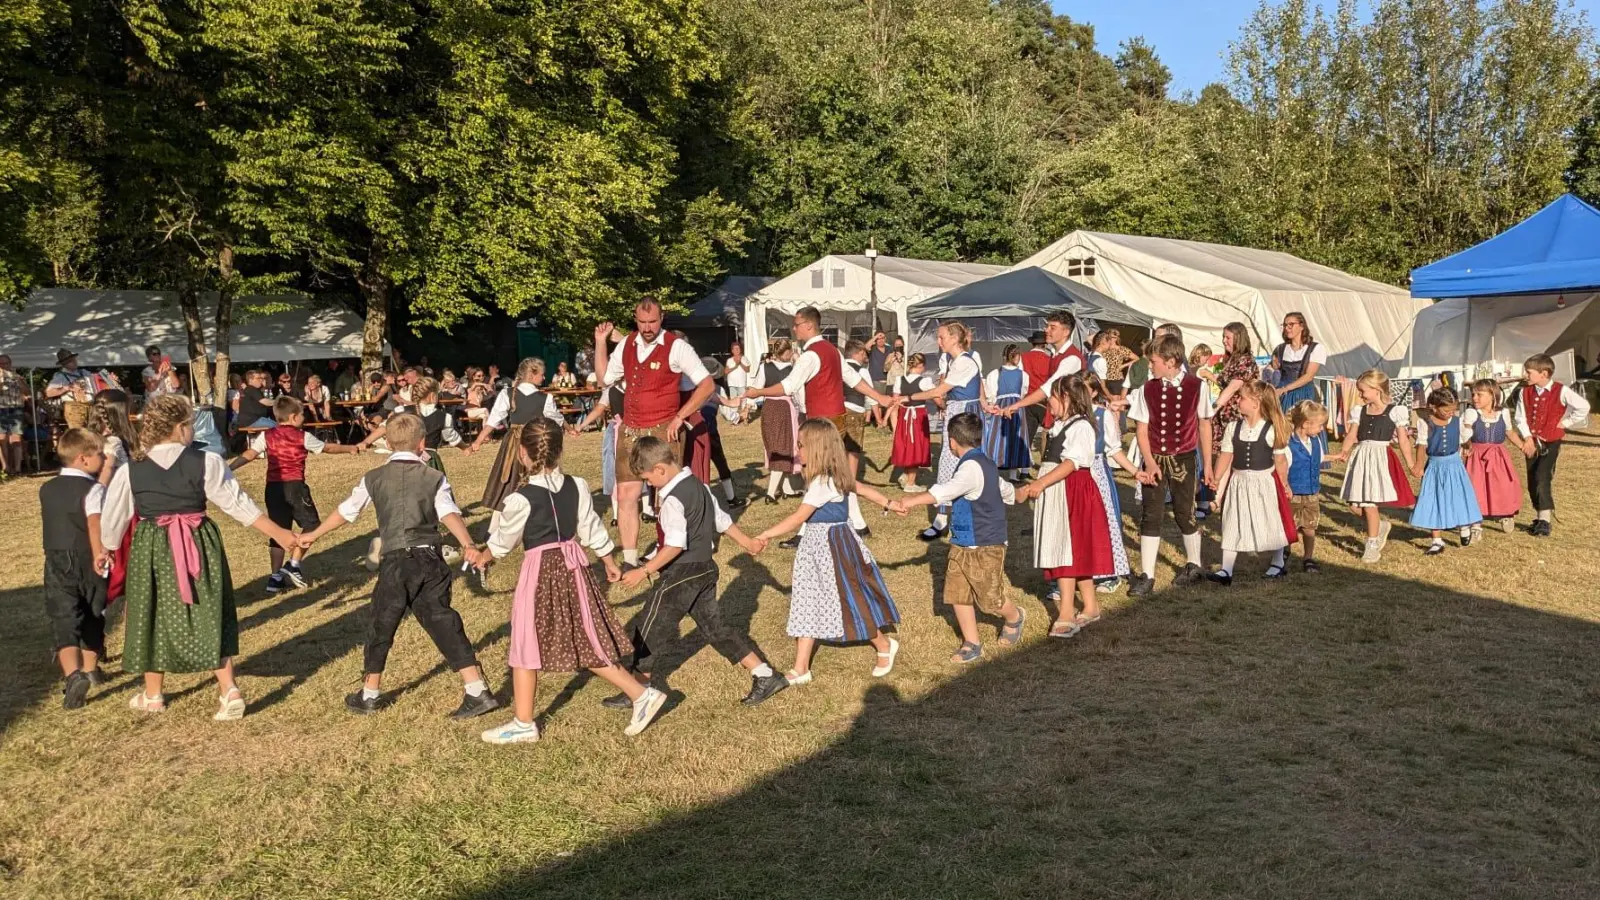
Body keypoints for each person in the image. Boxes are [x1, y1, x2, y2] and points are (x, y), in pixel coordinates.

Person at [101, 395, 295, 719]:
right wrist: (280, 533)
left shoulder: (130, 470)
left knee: (152, 611)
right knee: (208, 611)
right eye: (190, 424)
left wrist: (106, 547)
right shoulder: (206, 462)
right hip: (197, 543)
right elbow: (238, 505)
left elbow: (113, 520)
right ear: (180, 428)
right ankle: (229, 690)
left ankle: (153, 695)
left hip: (151, 547)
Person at [298, 413, 499, 720]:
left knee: (382, 622)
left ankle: (369, 694)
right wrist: (468, 544)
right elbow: (449, 513)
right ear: (423, 444)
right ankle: (476, 690)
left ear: (387, 443)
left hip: (396, 562)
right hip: (430, 559)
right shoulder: (434, 477)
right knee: (443, 620)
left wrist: (313, 534)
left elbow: (346, 512)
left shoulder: (374, 478)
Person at [477, 421, 666, 744]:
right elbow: (591, 527)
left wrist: (483, 557)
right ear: (559, 450)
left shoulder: (520, 499)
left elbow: (502, 542)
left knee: (526, 638)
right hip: (574, 567)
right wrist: (608, 560)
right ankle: (638, 694)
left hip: (540, 572)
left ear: (522, 454)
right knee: (583, 636)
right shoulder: (576, 485)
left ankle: (525, 723)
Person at [613, 436, 790, 706]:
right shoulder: (699, 485)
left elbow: (674, 546)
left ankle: (640, 690)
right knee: (714, 628)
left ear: (660, 469)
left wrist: (644, 570)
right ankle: (765, 674)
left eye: (648, 479)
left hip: (682, 573)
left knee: (650, 626)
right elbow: (721, 519)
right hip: (706, 569)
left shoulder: (672, 499)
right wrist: (748, 542)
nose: (649, 485)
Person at [754, 420, 900, 683]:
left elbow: (799, 517)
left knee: (848, 599)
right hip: (816, 547)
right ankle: (801, 668)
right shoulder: (830, 476)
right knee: (807, 600)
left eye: (801, 445)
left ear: (817, 449)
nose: (797, 449)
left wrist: (765, 534)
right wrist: (889, 502)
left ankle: (884, 645)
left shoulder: (823, 482)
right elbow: (863, 489)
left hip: (833, 548)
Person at [743, 307, 893, 543]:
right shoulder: (832, 350)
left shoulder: (811, 355)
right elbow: (853, 379)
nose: (794, 329)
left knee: (816, 475)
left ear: (809, 326)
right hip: (838, 420)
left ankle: (805, 531)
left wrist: (757, 392)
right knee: (835, 474)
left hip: (820, 424)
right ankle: (858, 523)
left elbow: (788, 386)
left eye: (797, 324)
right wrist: (880, 397)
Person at [596, 299, 718, 569]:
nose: (648, 327)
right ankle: (629, 559)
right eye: (642, 322)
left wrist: (680, 416)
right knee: (627, 495)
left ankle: (670, 551)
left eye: (653, 322)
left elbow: (707, 385)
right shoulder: (627, 344)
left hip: (664, 427)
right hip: (630, 428)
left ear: (662, 318)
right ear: (635, 319)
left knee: (667, 497)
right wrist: (601, 342)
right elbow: (604, 378)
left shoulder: (677, 347)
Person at [894, 413, 1025, 662]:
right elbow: (1002, 488)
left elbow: (947, 491)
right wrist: (1016, 494)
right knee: (957, 593)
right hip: (962, 541)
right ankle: (972, 641)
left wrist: (912, 500)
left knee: (989, 598)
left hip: (986, 544)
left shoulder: (971, 468)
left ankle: (1014, 616)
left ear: (952, 441)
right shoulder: (980, 463)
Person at [230, 395, 360, 593]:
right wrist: (350, 448)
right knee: (312, 525)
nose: (303, 418)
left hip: (273, 488)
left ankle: (274, 578)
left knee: (278, 530)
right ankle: (294, 564)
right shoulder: (302, 436)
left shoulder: (267, 435)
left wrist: (231, 467)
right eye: (301, 415)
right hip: (295, 486)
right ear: (292, 417)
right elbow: (328, 448)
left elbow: (250, 454)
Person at [1017, 377, 1112, 637]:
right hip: (1060, 488)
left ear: (1068, 398)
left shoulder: (1080, 426)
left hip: (1072, 490)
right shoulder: (1061, 424)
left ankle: (1067, 611)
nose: (1049, 402)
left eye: (1054, 397)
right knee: (1073, 547)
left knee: (1067, 548)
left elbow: (1071, 463)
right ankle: (1090, 606)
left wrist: (1041, 483)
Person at [1127, 334, 1214, 598]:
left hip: (1184, 460)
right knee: (1150, 514)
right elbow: (1141, 430)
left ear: (1171, 361)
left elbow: (1204, 425)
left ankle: (1194, 564)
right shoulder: (1147, 388)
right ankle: (1148, 574)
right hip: (1153, 459)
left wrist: (1207, 466)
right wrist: (1150, 462)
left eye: (1154, 361)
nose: (1150, 366)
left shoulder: (1198, 386)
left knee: (1184, 512)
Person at [39, 427, 110, 709]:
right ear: (83, 459)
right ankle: (91, 668)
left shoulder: (47, 488)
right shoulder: (93, 489)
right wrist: (100, 553)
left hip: (56, 555)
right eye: (98, 455)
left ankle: (72, 674)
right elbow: (94, 522)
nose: (103, 459)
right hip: (87, 555)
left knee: (63, 615)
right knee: (94, 610)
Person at [898, 322, 984, 541]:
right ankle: (946, 518)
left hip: (964, 414)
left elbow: (939, 391)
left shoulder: (964, 361)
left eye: (942, 337)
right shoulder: (956, 361)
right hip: (959, 411)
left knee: (955, 463)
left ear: (955, 339)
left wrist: (907, 397)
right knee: (952, 463)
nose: (939, 341)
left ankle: (947, 519)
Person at [1207, 381, 1297, 584]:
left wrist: (1284, 484)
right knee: (1232, 520)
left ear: (1256, 403)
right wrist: (1218, 477)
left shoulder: (1272, 429)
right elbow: (1226, 455)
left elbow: (1280, 461)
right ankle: (1226, 570)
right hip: (1238, 481)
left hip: (1263, 482)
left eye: (1242, 398)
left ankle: (1278, 562)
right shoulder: (1233, 427)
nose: (1238, 400)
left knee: (1271, 519)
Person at [1333, 369, 1417, 564]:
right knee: (1355, 506)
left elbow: (1404, 441)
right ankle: (1379, 526)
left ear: (1377, 389)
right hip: (1362, 456)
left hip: (1379, 457)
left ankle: (1371, 543)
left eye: (1363, 391)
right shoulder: (1359, 411)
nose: (1360, 395)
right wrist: (1344, 452)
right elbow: (1352, 435)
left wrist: (1410, 463)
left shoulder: (1395, 411)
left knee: (1369, 503)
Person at [468, 358, 565, 511]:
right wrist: (569, 428)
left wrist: (478, 441)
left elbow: (493, 420)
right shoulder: (544, 398)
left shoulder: (510, 394)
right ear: (532, 375)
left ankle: (508, 512)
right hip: (536, 440)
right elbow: (557, 420)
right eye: (542, 374)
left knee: (512, 478)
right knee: (535, 473)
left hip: (514, 441)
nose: (544, 377)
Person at [1514, 353, 1590, 536]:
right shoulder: (1525, 392)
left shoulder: (1560, 390)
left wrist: (1565, 423)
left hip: (1551, 441)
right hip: (1532, 442)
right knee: (1532, 477)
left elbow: (1583, 406)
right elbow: (1519, 417)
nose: (1526, 375)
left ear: (1544, 373)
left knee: (1542, 476)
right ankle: (1539, 516)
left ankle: (1545, 521)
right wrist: (1527, 437)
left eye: (1529, 372)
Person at [1409, 388, 1482, 555]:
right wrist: (1419, 465)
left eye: (1453, 409)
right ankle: (1436, 540)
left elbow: (1465, 440)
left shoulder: (1457, 422)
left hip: (1454, 465)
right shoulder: (1425, 423)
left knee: (1458, 496)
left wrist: (1468, 447)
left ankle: (1464, 525)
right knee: (1433, 499)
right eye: (1446, 410)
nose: (1450, 413)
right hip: (1434, 466)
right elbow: (1421, 446)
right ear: (1433, 407)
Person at [1086, 373, 1137, 593]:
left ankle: (1107, 572)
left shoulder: (1102, 414)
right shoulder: (1068, 414)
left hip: (1096, 471)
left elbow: (1114, 449)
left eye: (1085, 389)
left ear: (1094, 391)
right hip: (1074, 473)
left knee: (1103, 521)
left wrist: (1135, 471)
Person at [1003, 311, 1086, 430]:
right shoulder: (1054, 354)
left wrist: (1017, 405)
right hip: (1057, 413)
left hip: (1072, 418)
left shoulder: (1072, 358)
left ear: (1066, 332)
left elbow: (1049, 387)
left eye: (1053, 328)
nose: (1047, 330)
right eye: (1047, 326)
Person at [1461, 379, 1521, 536]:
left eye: (1479, 394)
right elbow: (1465, 433)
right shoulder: (1471, 413)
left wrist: (1522, 446)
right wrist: (1466, 445)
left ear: (1493, 395)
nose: (1474, 398)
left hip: (1497, 455)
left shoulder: (1503, 413)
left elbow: (1509, 432)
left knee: (1502, 485)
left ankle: (1505, 513)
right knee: (1476, 487)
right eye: (1473, 394)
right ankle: (1475, 523)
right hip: (1476, 455)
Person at [749, 339, 803, 503]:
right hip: (784, 409)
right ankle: (771, 493)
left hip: (769, 408)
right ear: (784, 352)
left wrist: (749, 406)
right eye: (789, 351)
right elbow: (797, 391)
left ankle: (786, 488)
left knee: (779, 446)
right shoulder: (792, 369)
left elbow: (756, 389)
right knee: (782, 448)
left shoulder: (765, 368)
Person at [1286, 400, 1330, 573]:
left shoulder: (1315, 441)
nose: (1322, 429)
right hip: (1293, 492)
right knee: (1290, 526)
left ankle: (1308, 557)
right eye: (1320, 425)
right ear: (1306, 424)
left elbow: (1319, 459)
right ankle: (1284, 555)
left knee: (1310, 526)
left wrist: (1335, 457)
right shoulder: (1289, 443)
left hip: (1312, 492)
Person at [980, 344, 1032, 480]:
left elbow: (991, 394)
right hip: (1015, 407)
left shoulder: (995, 373)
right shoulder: (1023, 374)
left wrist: (992, 404)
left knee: (998, 438)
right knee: (1013, 438)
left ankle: (994, 472)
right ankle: (1012, 476)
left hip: (1001, 407)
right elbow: (1023, 392)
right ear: (1016, 356)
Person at [888, 352, 934, 491]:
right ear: (921, 366)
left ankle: (906, 475)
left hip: (904, 416)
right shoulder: (924, 381)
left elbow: (894, 403)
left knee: (908, 446)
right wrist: (942, 405)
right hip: (917, 416)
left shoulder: (899, 380)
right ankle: (910, 483)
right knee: (916, 447)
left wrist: (895, 424)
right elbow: (936, 395)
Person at [1269, 312, 1325, 408]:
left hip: (1303, 392)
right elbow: (1272, 369)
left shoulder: (1315, 348)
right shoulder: (1281, 348)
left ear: (1302, 326)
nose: (1287, 328)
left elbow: (1309, 376)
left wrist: (1285, 388)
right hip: (1282, 393)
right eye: (1285, 325)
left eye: (1291, 324)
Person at [0, 354, 30, 477]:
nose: (4, 366)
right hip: (1, 408)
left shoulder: (17, 376)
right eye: (1, 364)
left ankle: (17, 468)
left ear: (10, 363)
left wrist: (19, 381)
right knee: (3, 440)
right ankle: (6, 467)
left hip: (16, 408)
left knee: (16, 439)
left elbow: (28, 392)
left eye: (6, 363)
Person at [722, 342, 752, 424]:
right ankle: (735, 419)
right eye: (735, 349)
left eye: (738, 348)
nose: (737, 350)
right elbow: (726, 371)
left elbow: (747, 370)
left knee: (743, 401)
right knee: (733, 401)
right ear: (732, 351)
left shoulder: (744, 358)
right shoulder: (729, 360)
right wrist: (735, 365)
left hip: (741, 383)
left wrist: (740, 363)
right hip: (732, 384)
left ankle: (745, 418)